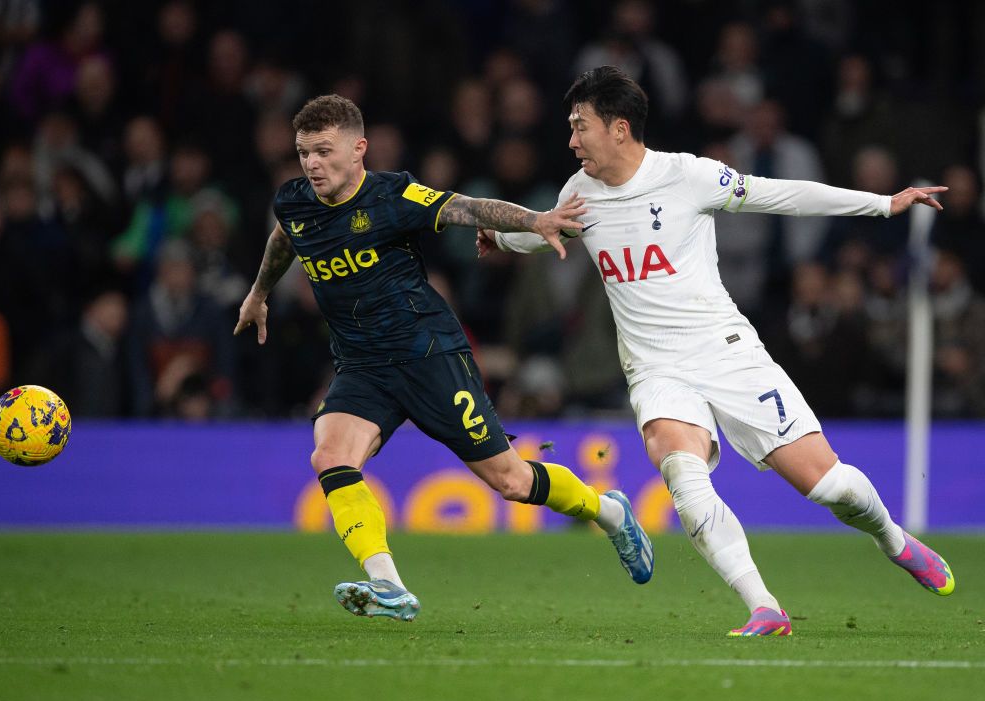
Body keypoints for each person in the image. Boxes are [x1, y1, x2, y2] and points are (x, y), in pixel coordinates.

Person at [477, 66, 954, 637]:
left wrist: (881, 204)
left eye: (581, 126)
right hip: (654, 369)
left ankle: (895, 540)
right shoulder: (577, 193)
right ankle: (764, 606)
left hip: (726, 353)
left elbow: (781, 196)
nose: (572, 140)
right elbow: (547, 229)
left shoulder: (687, 177)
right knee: (682, 471)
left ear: (620, 128)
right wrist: (503, 236)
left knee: (830, 487)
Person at [234, 94, 653, 622]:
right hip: (363, 366)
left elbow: (469, 208)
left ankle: (609, 511)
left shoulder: (393, 196)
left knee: (511, 481)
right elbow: (285, 238)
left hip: (429, 355)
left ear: (359, 149)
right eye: (303, 153)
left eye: (323, 151)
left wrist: (536, 220)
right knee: (330, 457)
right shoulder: (295, 202)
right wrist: (258, 294)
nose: (312, 164)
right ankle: (387, 585)